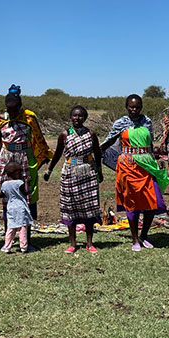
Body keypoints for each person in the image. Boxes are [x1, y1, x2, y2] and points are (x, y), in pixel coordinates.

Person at [99, 94, 169, 251]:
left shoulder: (147, 122)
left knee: (153, 201)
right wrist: (98, 152)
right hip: (128, 166)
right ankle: (135, 239)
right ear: (126, 107)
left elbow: (150, 143)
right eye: (131, 106)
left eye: (137, 107)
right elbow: (110, 140)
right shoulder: (121, 123)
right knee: (132, 203)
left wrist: (155, 159)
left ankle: (144, 236)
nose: (134, 109)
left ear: (141, 107)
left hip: (147, 165)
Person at [0, 85, 53, 250]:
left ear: (20, 106)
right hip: (6, 157)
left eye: (15, 109)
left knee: (27, 196)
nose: (12, 113)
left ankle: (27, 240)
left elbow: (38, 137)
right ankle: (8, 240)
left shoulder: (29, 118)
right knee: (7, 197)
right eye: (9, 110)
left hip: (25, 156)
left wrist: (44, 155)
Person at [44, 105, 103, 253]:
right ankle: (73, 244)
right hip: (70, 173)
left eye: (81, 116)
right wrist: (49, 170)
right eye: (75, 115)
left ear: (85, 118)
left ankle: (89, 243)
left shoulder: (91, 134)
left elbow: (97, 153)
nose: (78, 118)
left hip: (88, 172)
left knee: (89, 207)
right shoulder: (64, 134)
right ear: (70, 118)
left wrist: (99, 172)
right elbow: (57, 153)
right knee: (70, 207)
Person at [1, 161, 32, 253]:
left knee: (11, 228)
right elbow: (25, 192)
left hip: (10, 206)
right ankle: (23, 246)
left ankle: (7, 246)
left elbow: (1, 195)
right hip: (20, 207)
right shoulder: (19, 183)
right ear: (16, 173)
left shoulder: (4, 184)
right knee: (22, 227)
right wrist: (26, 182)